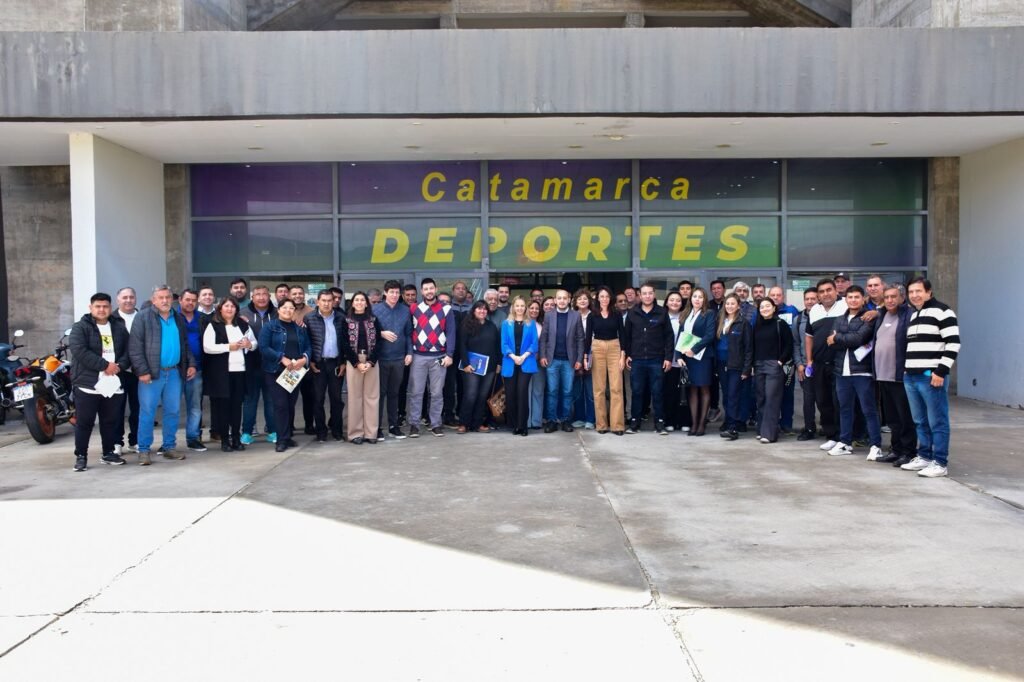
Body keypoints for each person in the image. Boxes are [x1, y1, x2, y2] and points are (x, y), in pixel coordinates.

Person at [128, 285, 197, 465]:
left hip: (174, 372)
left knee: (173, 411)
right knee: (147, 412)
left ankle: (169, 447)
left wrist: (191, 364)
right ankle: (144, 450)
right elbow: (135, 347)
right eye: (161, 297)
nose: (165, 300)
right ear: (154, 300)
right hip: (151, 374)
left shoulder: (178, 318)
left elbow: (185, 344)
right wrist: (142, 371)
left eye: (168, 297)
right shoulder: (143, 317)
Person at [899, 277, 960, 478]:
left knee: (937, 421)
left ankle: (940, 462)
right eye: (911, 292)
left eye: (919, 291)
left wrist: (941, 371)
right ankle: (924, 456)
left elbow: (953, 343)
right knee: (920, 421)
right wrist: (907, 370)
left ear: (929, 292)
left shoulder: (943, 311)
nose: (914, 295)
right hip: (911, 377)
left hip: (931, 377)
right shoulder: (915, 315)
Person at [69, 293, 130, 471]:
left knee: (110, 421)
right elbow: (80, 351)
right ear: (91, 308)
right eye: (98, 306)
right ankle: (81, 456)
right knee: (85, 422)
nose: (102, 310)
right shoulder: (80, 327)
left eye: (105, 306)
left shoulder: (119, 327)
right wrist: (105, 366)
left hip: (113, 382)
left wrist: (119, 366)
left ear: (110, 308)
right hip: (88, 384)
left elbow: (129, 351)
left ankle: (108, 453)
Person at [825, 285, 883, 459]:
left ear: (863, 299)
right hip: (841, 372)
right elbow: (831, 343)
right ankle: (845, 443)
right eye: (850, 297)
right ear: (846, 299)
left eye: (857, 297)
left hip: (862, 372)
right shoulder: (839, 319)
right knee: (845, 409)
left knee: (868, 409)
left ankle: (875, 445)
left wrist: (838, 337)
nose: (853, 300)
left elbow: (859, 338)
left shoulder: (868, 317)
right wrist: (843, 339)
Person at [203, 298, 257, 452]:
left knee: (237, 406)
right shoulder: (213, 325)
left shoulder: (243, 324)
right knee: (223, 407)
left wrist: (249, 345)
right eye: (226, 306)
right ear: (220, 309)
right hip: (221, 373)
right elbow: (207, 347)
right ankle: (225, 440)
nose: (229, 309)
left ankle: (236, 438)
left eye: (232, 306)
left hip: (240, 371)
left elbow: (255, 343)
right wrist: (229, 347)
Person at [873, 285, 917, 466]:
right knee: (892, 419)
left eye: (893, 296)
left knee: (905, 417)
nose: (890, 300)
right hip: (883, 376)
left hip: (899, 376)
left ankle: (908, 452)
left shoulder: (908, 315)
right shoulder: (881, 315)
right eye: (887, 297)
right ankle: (896, 450)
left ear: (902, 298)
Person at [407, 278, 457, 438]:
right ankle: (414, 424)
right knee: (416, 392)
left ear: (435, 289)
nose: (429, 291)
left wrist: (450, 354)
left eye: (431, 288)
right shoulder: (414, 308)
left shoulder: (446, 309)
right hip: (418, 356)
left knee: (436, 393)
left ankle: (435, 424)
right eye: (426, 289)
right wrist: (409, 352)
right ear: (422, 292)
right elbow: (409, 332)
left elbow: (451, 333)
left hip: (439, 356)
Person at [259, 299, 310, 453]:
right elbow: (263, 347)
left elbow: (308, 346)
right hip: (275, 371)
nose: (288, 310)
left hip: (294, 372)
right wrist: (281, 358)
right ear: (279, 309)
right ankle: (281, 440)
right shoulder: (270, 327)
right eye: (285, 307)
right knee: (280, 405)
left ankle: (287, 436)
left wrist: (304, 359)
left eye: (291, 308)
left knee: (290, 405)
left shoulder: (299, 328)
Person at [623, 283, 673, 435]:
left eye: (650, 293)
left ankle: (659, 424)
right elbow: (627, 336)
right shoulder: (632, 313)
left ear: (654, 294)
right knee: (637, 391)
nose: (647, 296)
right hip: (637, 359)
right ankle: (635, 423)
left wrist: (668, 357)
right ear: (640, 295)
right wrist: (628, 354)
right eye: (644, 293)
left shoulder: (662, 312)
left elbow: (669, 337)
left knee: (657, 392)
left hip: (656, 359)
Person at [805, 278, 847, 452]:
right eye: (821, 291)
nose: (825, 294)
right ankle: (831, 436)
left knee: (840, 401)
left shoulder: (846, 305)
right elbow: (809, 337)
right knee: (823, 401)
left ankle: (844, 438)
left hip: (840, 362)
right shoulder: (815, 310)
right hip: (820, 364)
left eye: (829, 290)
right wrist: (809, 360)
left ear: (836, 290)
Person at [539, 289, 584, 433]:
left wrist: (579, 359)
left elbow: (580, 339)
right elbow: (544, 338)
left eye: (565, 298)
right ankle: (552, 421)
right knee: (552, 391)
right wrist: (543, 356)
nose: (562, 301)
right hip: (552, 360)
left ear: (569, 300)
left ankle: (565, 420)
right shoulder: (549, 315)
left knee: (567, 391)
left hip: (569, 361)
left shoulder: (575, 315)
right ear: (555, 300)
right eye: (559, 298)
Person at [373, 280, 413, 440]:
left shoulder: (405, 310)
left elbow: (409, 334)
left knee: (394, 393)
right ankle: (376, 427)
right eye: (392, 292)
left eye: (397, 292)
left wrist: (409, 352)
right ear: (385, 293)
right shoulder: (375, 310)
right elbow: (368, 332)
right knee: (379, 394)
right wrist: (381, 333)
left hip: (399, 359)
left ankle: (393, 426)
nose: (395, 295)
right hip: (381, 358)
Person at [305, 289, 346, 442]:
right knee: (318, 399)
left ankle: (337, 431)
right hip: (318, 364)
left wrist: (343, 362)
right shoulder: (309, 318)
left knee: (336, 400)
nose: (327, 303)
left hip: (336, 363)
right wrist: (311, 361)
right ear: (318, 301)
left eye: (330, 300)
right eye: (324, 300)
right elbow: (306, 342)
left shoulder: (341, 318)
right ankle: (321, 432)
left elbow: (345, 342)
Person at [339, 292, 380, 444]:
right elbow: (343, 343)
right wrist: (357, 362)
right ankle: (355, 433)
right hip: (354, 361)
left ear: (367, 303)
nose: (360, 302)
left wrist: (370, 361)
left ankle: (371, 433)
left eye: (362, 300)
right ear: (352, 302)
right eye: (357, 300)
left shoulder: (374, 319)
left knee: (372, 397)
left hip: (371, 361)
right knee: (355, 397)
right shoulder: (346, 320)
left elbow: (379, 342)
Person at [751, 298, 793, 444]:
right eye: (762, 307)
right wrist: (752, 365)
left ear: (774, 308)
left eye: (768, 306)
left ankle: (769, 434)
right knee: (761, 398)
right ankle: (762, 430)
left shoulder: (781, 324)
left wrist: (780, 361)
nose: (765, 309)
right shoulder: (757, 325)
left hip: (774, 365)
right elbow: (753, 346)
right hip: (758, 365)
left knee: (771, 398)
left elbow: (789, 345)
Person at [240, 285, 277, 445]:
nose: (261, 297)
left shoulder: (277, 313)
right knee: (250, 400)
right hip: (250, 365)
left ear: (269, 296)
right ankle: (247, 432)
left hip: (272, 364)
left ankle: (273, 431)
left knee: (271, 400)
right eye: (258, 294)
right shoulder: (242, 313)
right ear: (252, 297)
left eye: (264, 294)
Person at [458, 301, 501, 434]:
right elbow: (462, 345)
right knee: (471, 394)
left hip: (490, 367)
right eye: (479, 309)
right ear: (474, 310)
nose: (482, 311)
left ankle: (477, 424)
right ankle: (464, 423)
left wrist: (499, 363)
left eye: (484, 309)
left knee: (483, 396)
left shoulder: (491, 326)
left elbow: (497, 346)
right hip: (471, 367)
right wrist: (466, 364)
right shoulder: (466, 325)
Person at [678, 287, 717, 436]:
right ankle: (694, 423)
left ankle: (701, 424)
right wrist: (678, 355)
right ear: (691, 298)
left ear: (704, 299)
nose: (697, 299)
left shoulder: (709, 313)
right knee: (692, 389)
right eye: (695, 296)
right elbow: (681, 335)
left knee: (704, 388)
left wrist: (694, 350)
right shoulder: (686, 313)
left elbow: (709, 335)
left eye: (700, 297)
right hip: (688, 357)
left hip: (703, 357)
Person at [587, 286, 625, 435]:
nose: (604, 299)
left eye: (607, 296)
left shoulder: (617, 314)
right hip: (597, 347)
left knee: (616, 388)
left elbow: (622, 334)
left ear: (611, 298)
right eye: (602, 296)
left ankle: (617, 425)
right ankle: (601, 425)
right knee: (599, 389)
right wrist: (585, 357)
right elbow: (588, 337)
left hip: (615, 347)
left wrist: (623, 355)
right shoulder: (592, 315)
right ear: (597, 298)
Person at [501, 296, 539, 436]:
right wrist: (513, 356)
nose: (520, 308)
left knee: (522, 393)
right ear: (513, 307)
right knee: (511, 395)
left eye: (522, 306)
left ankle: (523, 426)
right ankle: (515, 425)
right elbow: (504, 344)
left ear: (525, 308)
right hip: (510, 361)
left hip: (526, 361)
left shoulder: (531, 324)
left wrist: (523, 357)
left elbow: (534, 344)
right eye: (517, 305)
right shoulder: (506, 324)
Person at [716, 294, 752, 440]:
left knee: (733, 396)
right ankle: (729, 420)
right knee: (726, 395)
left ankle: (733, 427)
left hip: (736, 365)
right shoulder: (720, 321)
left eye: (732, 304)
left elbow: (749, 348)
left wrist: (746, 369)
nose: (729, 306)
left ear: (738, 306)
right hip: (721, 363)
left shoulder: (743, 323)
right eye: (727, 304)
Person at [177, 289, 208, 452]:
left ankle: (193, 438)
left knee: (195, 406)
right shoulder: (172, 317)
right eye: (187, 299)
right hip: (175, 368)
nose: (190, 303)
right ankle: (168, 441)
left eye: (193, 300)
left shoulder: (202, 318)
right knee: (172, 407)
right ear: (180, 300)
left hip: (198, 369)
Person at [111, 286, 140, 455]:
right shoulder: (111, 319)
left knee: (138, 408)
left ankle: (135, 441)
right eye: (125, 297)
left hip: (139, 371)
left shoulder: (143, 317)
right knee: (117, 408)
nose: (128, 300)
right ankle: (116, 442)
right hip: (117, 371)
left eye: (131, 297)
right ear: (118, 300)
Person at [768, 286, 800, 436]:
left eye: (778, 295)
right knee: (771, 393)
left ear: (783, 297)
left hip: (788, 361)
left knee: (787, 392)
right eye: (773, 295)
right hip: (769, 360)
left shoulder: (792, 311)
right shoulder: (764, 311)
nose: (775, 297)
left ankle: (786, 423)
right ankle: (772, 423)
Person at [792, 287, 820, 441]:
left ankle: (829, 427)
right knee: (808, 400)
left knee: (825, 400)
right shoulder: (798, 320)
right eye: (807, 299)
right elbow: (796, 344)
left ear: (818, 299)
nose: (810, 302)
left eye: (813, 298)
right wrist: (799, 364)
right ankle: (809, 428)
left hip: (823, 365)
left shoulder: (824, 316)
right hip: (805, 367)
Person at [661, 291, 687, 433]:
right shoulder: (662, 316)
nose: (675, 303)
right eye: (672, 300)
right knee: (669, 392)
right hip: (667, 360)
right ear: (666, 302)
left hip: (683, 360)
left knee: (683, 392)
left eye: (678, 300)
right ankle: (669, 420)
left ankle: (682, 420)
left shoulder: (686, 317)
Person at [571, 288, 595, 430]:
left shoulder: (594, 315)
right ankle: (579, 417)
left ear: (589, 301)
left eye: (585, 298)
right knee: (577, 389)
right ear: (575, 302)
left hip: (592, 354)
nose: (582, 301)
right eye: (579, 299)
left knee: (590, 389)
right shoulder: (571, 315)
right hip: (575, 355)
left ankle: (591, 418)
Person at [527, 299, 546, 430]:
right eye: (532, 308)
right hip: (525, 362)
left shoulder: (541, 325)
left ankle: (536, 421)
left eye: (537, 308)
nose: (534, 310)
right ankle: (527, 421)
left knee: (538, 391)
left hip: (539, 363)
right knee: (526, 391)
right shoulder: (523, 324)